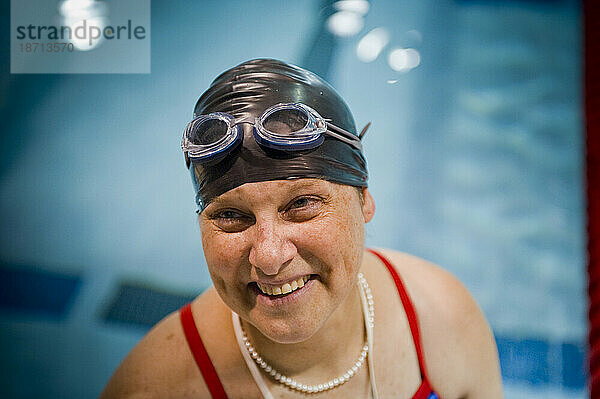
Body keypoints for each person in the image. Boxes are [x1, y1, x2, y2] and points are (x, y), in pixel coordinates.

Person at [100, 59, 503, 399]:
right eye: (231, 216)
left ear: (364, 199)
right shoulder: (155, 386)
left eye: (301, 205)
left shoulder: (442, 317)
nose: (270, 257)